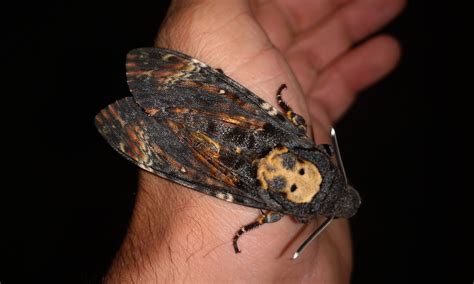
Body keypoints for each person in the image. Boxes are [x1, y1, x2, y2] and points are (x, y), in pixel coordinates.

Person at [105, 0, 405, 282]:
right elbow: (271, 216)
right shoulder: (287, 212)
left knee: (227, 105)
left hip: (233, 118)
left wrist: (280, 104)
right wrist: (247, 229)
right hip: (224, 172)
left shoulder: (309, 146)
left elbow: (297, 122)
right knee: (194, 169)